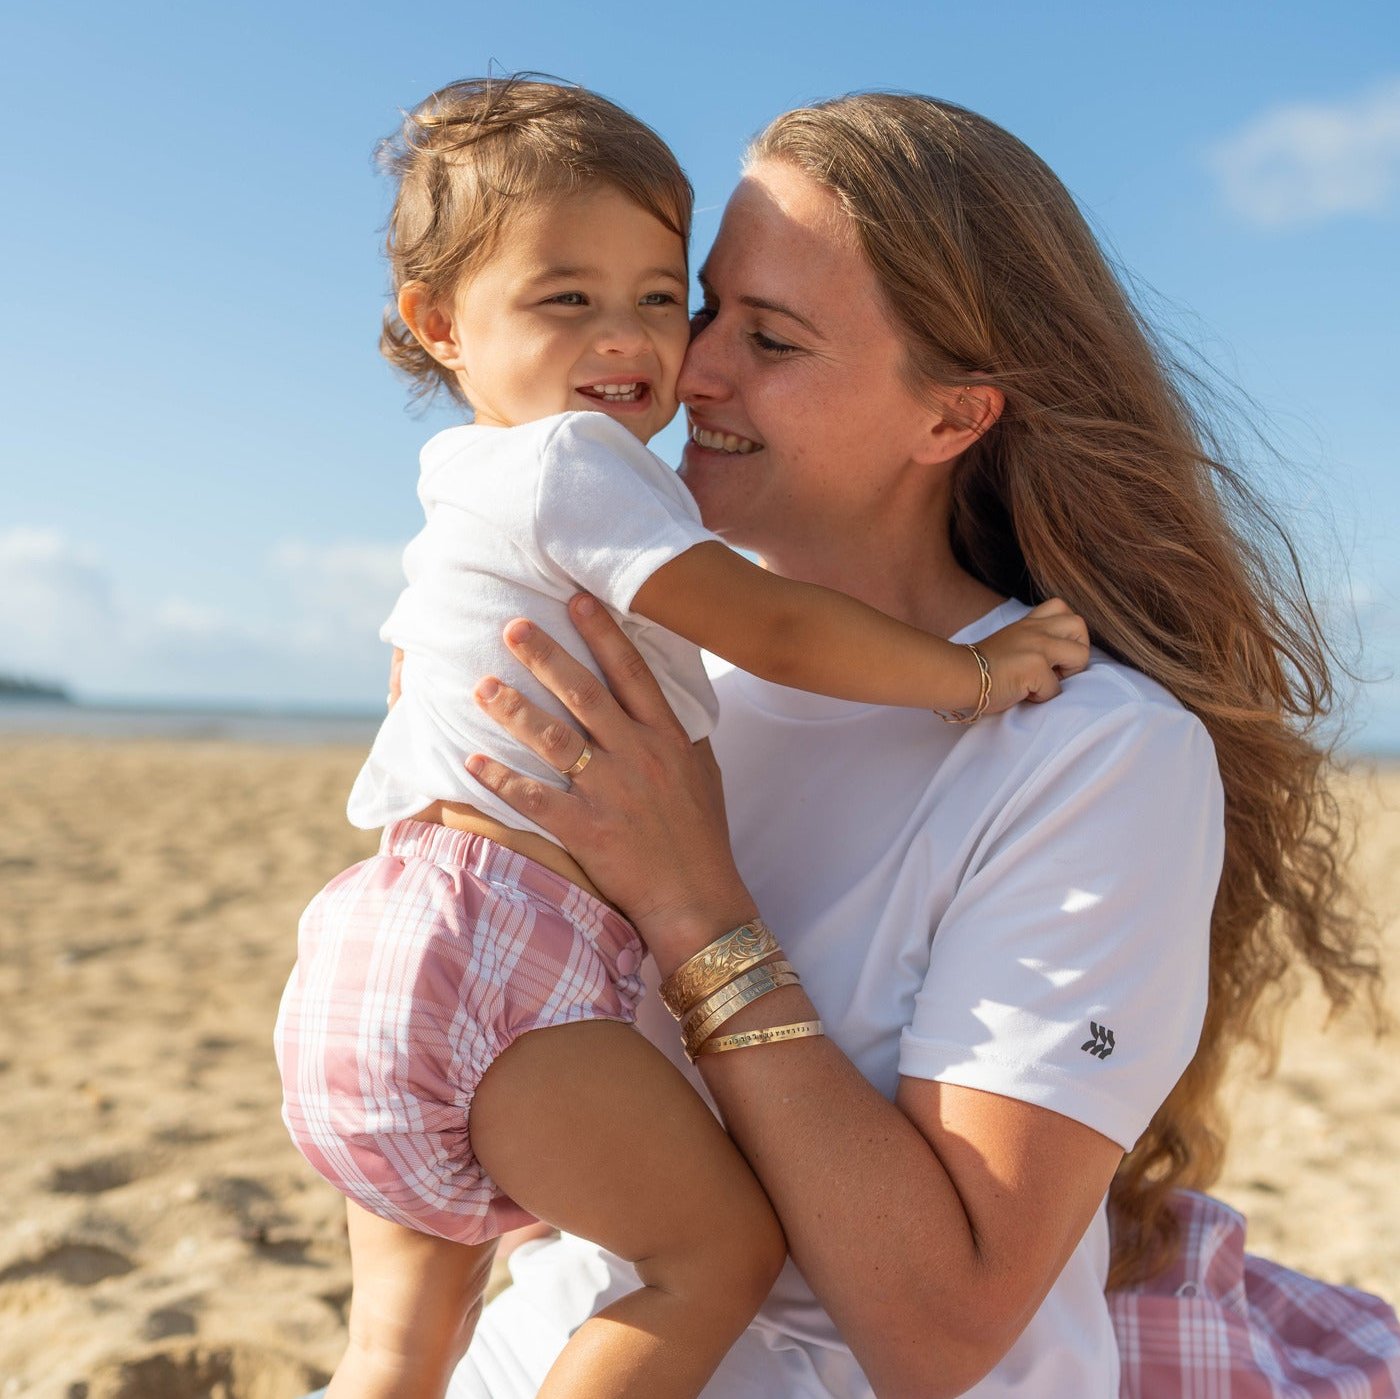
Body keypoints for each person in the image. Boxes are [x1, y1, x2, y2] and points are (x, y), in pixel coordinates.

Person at [432, 92, 1380, 1398]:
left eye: (769, 337)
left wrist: (695, 909)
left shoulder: (1093, 754)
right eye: (701, 307)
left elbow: (942, 1326)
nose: (689, 367)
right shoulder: (653, 661)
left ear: (952, 419)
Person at [274, 78, 1089, 1399]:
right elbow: (771, 625)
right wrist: (969, 672)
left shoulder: (460, 493)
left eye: (663, 297)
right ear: (440, 327)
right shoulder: (575, 465)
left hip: (368, 951)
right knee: (709, 1263)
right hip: (502, 950)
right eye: (566, 298)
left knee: (394, 1350)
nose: (637, 342)